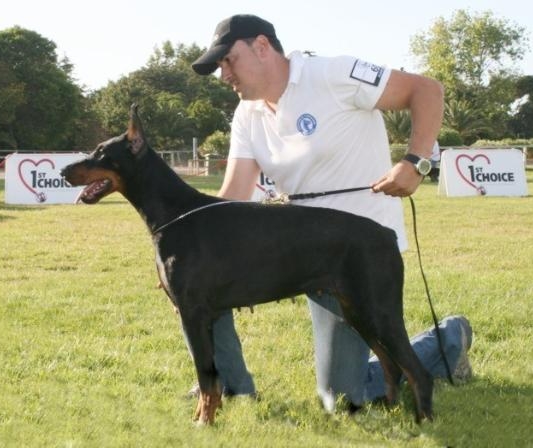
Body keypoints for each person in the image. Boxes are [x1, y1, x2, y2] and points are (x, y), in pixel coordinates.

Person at [188, 14, 472, 412]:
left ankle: (449, 339)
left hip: (354, 255)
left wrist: (415, 161)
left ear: (262, 46)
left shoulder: (333, 74)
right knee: (201, 284)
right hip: (295, 251)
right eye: (219, 67)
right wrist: (188, 252)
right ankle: (230, 388)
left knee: (339, 400)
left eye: (228, 61)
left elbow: (426, 90)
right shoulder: (246, 115)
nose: (223, 75)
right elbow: (233, 195)